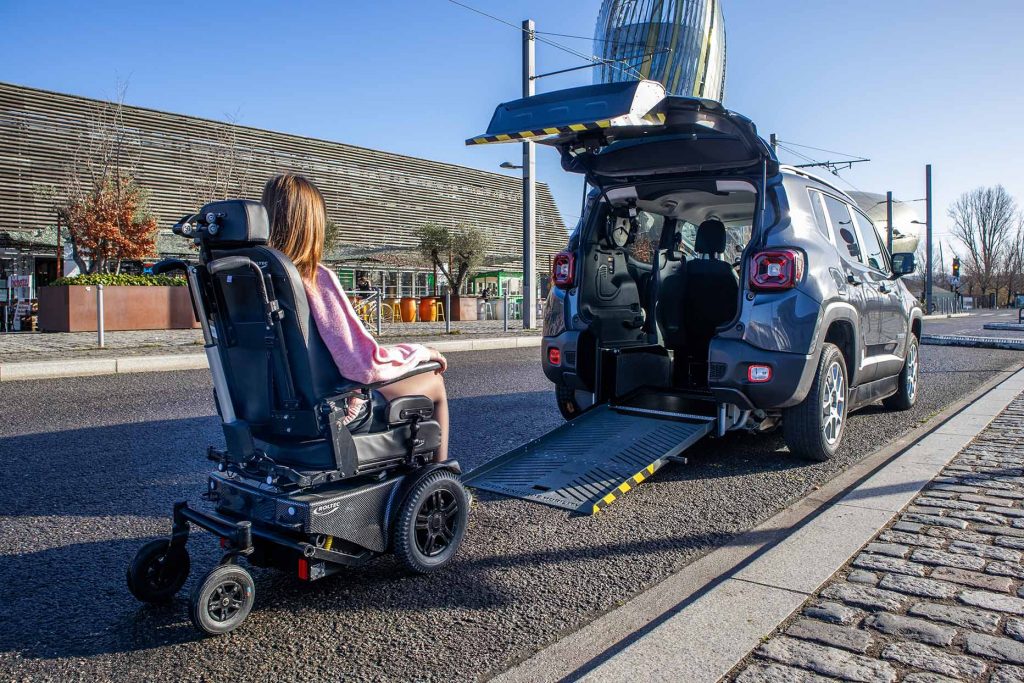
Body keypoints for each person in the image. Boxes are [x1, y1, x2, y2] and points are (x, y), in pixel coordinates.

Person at [261, 173, 451, 460]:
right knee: (434, 379)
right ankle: (441, 476)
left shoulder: (252, 280)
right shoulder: (314, 279)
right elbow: (364, 365)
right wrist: (423, 352)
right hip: (332, 412)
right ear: (313, 225)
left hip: (269, 414)